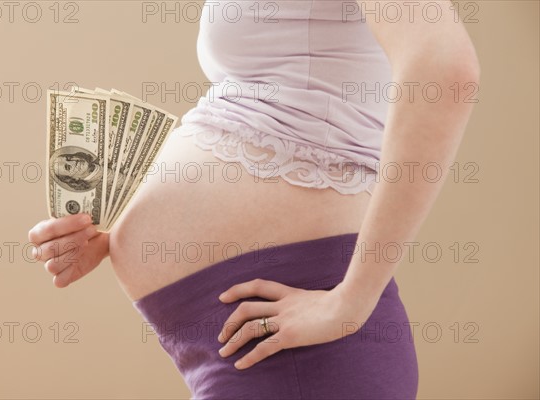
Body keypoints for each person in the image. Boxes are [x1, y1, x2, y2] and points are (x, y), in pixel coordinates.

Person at [29, 1, 479, 398]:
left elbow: (443, 67)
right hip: (248, 354)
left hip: (309, 359)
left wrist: (350, 303)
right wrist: (117, 225)